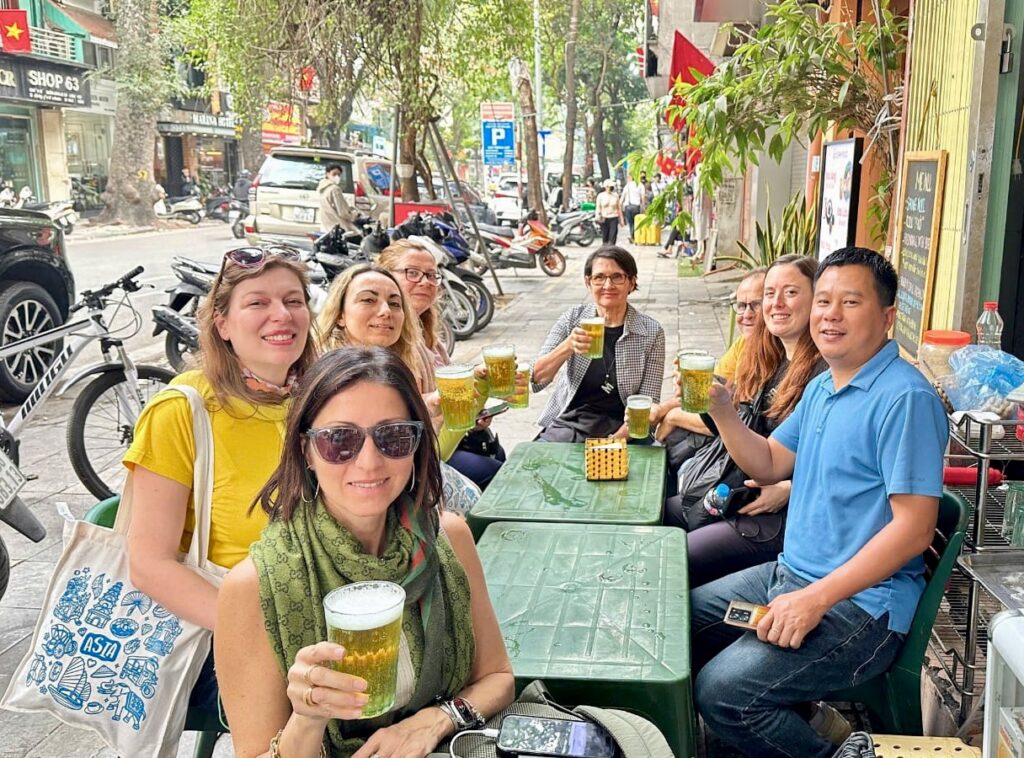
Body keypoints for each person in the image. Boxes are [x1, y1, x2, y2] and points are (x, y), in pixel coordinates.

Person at [691, 247, 948, 757]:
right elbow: (767, 462)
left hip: (862, 609)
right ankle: (800, 716)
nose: (830, 314)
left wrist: (816, 599)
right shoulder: (822, 387)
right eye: (824, 301)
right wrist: (721, 410)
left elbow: (915, 529)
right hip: (792, 575)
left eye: (850, 302)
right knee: (684, 617)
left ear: (887, 316)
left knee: (723, 693)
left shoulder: (905, 399)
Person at [215, 347, 515, 758]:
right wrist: (307, 717)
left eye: (393, 437)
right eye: (340, 440)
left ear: (416, 444)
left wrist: (438, 719)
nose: (369, 462)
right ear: (306, 450)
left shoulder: (449, 538)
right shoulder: (253, 587)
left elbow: (498, 677)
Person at [124, 246, 317, 717]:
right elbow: (149, 565)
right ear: (222, 324)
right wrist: (261, 632)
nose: (282, 315)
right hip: (218, 636)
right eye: (257, 303)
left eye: (294, 301)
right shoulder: (182, 410)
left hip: (316, 611)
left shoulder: (318, 397)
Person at [664, 256, 825, 589]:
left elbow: (835, 456)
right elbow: (744, 432)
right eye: (770, 293)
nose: (775, 303)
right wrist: (713, 404)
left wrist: (792, 489)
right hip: (735, 492)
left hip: (773, 518)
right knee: (653, 517)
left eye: (790, 292)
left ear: (817, 299)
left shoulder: (824, 372)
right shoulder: (771, 357)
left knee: (673, 561)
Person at [377, 240, 507, 490]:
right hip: (415, 452)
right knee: (498, 475)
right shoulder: (384, 336)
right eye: (412, 273)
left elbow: (448, 398)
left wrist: (475, 408)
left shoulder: (429, 336)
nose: (425, 282)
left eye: (431, 275)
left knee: (496, 453)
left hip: (443, 437)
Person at [532, 246, 666, 441]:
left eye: (617, 277)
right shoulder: (573, 319)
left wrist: (612, 442)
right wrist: (568, 346)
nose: (608, 285)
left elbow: (649, 402)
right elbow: (537, 379)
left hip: (624, 428)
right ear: (588, 282)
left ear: (631, 282)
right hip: (570, 424)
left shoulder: (651, 332)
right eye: (599, 277)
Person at [654, 267, 767, 457]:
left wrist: (673, 417)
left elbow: (737, 420)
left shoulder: (769, 356)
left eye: (756, 305)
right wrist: (662, 410)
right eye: (741, 305)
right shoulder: (745, 342)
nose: (746, 314)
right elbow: (712, 387)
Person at [318, 162, 356, 233]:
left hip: (325, 227)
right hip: (338, 227)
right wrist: (353, 216)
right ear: (327, 174)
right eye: (334, 174)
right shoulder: (335, 189)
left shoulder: (321, 188)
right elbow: (343, 212)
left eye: (339, 175)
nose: (337, 177)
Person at [595, 180, 623, 245]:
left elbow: (619, 208)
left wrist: (621, 219)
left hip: (614, 217)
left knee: (613, 236)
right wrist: (597, 216)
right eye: (609, 186)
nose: (610, 188)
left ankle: (612, 248)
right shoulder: (601, 196)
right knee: (605, 237)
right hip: (604, 218)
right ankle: (605, 249)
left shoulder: (615, 196)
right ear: (606, 187)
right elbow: (598, 207)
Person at [620, 174, 644, 243]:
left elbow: (622, 197)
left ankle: (632, 236)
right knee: (636, 223)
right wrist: (643, 207)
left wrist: (620, 206)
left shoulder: (627, 186)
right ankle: (634, 237)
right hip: (636, 207)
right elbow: (642, 197)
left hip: (628, 207)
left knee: (630, 223)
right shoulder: (640, 185)